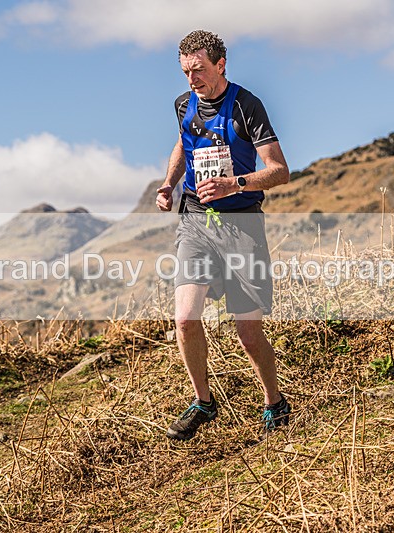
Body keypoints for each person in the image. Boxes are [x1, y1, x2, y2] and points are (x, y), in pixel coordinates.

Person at [156, 30, 291, 441]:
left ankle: (273, 401)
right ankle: (203, 403)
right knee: (185, 318)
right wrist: (168, 184)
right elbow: (184, 142)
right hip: (196, 219)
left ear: (220, 65)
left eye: (198, 70)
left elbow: (280, 170)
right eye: (185, 71)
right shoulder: (184, 104)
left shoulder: (247, 106)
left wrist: (236, 184)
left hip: (242, 222)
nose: (192, 79)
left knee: (248, 331)